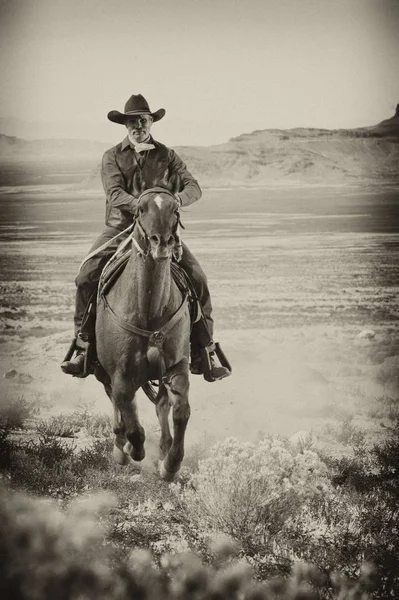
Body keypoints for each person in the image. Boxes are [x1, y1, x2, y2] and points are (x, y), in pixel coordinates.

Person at [61, 94, 231, 382]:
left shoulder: (168, 155)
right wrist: (144, 205)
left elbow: (194, 186)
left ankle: (205, 350)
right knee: (86, 277)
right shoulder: (112, 156)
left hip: (162, 231)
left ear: (151, 122)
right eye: (132, 121)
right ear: (125, 124)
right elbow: (114, 194)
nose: (138, 125)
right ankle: (83, 346)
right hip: (121, 228)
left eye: (144, 120)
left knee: (198, 279)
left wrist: (176, 200)